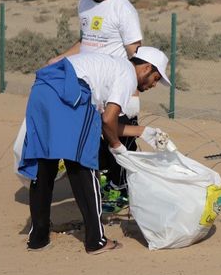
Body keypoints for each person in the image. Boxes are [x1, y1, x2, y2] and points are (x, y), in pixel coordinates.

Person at [19, 47, 171, 254]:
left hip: (43, 91)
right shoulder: (127, 74)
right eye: (155, 78)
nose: (154, 84)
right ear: (146, 68)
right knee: (83, 165)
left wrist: (143, 131)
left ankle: (38, 238)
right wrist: (117, 147)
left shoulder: (109, 66)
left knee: (44, 164)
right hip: (71, 93)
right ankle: (95, 240)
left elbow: (102, 122)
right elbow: (108, 120)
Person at [48, 0, 144, 213]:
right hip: (89, 86)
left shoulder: (123, 9)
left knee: (123, 133)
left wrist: (132, 89)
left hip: (116, 83)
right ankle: (103, 182)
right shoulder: (83, 4)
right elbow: (85, 41)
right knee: (95, 136)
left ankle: (122, 188)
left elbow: (134, 51)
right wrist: (60, 58)